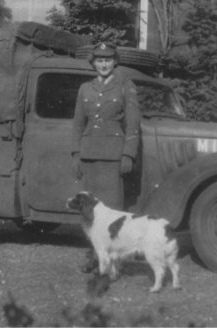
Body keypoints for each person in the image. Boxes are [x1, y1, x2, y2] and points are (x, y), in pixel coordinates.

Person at [71, 42, 141, 271]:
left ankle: (115, 260)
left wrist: (128, 154)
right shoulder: (85, 89)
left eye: (108, 60)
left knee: (112, 211)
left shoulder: (125, 87)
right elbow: (78, 124)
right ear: (93, 63)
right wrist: (76, 153)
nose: (103, 64)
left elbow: (133, 124)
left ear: (115, 62)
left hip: (113, 157)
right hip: (90, 156)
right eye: (99, 60)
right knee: (90, 212)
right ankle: (95, 255)